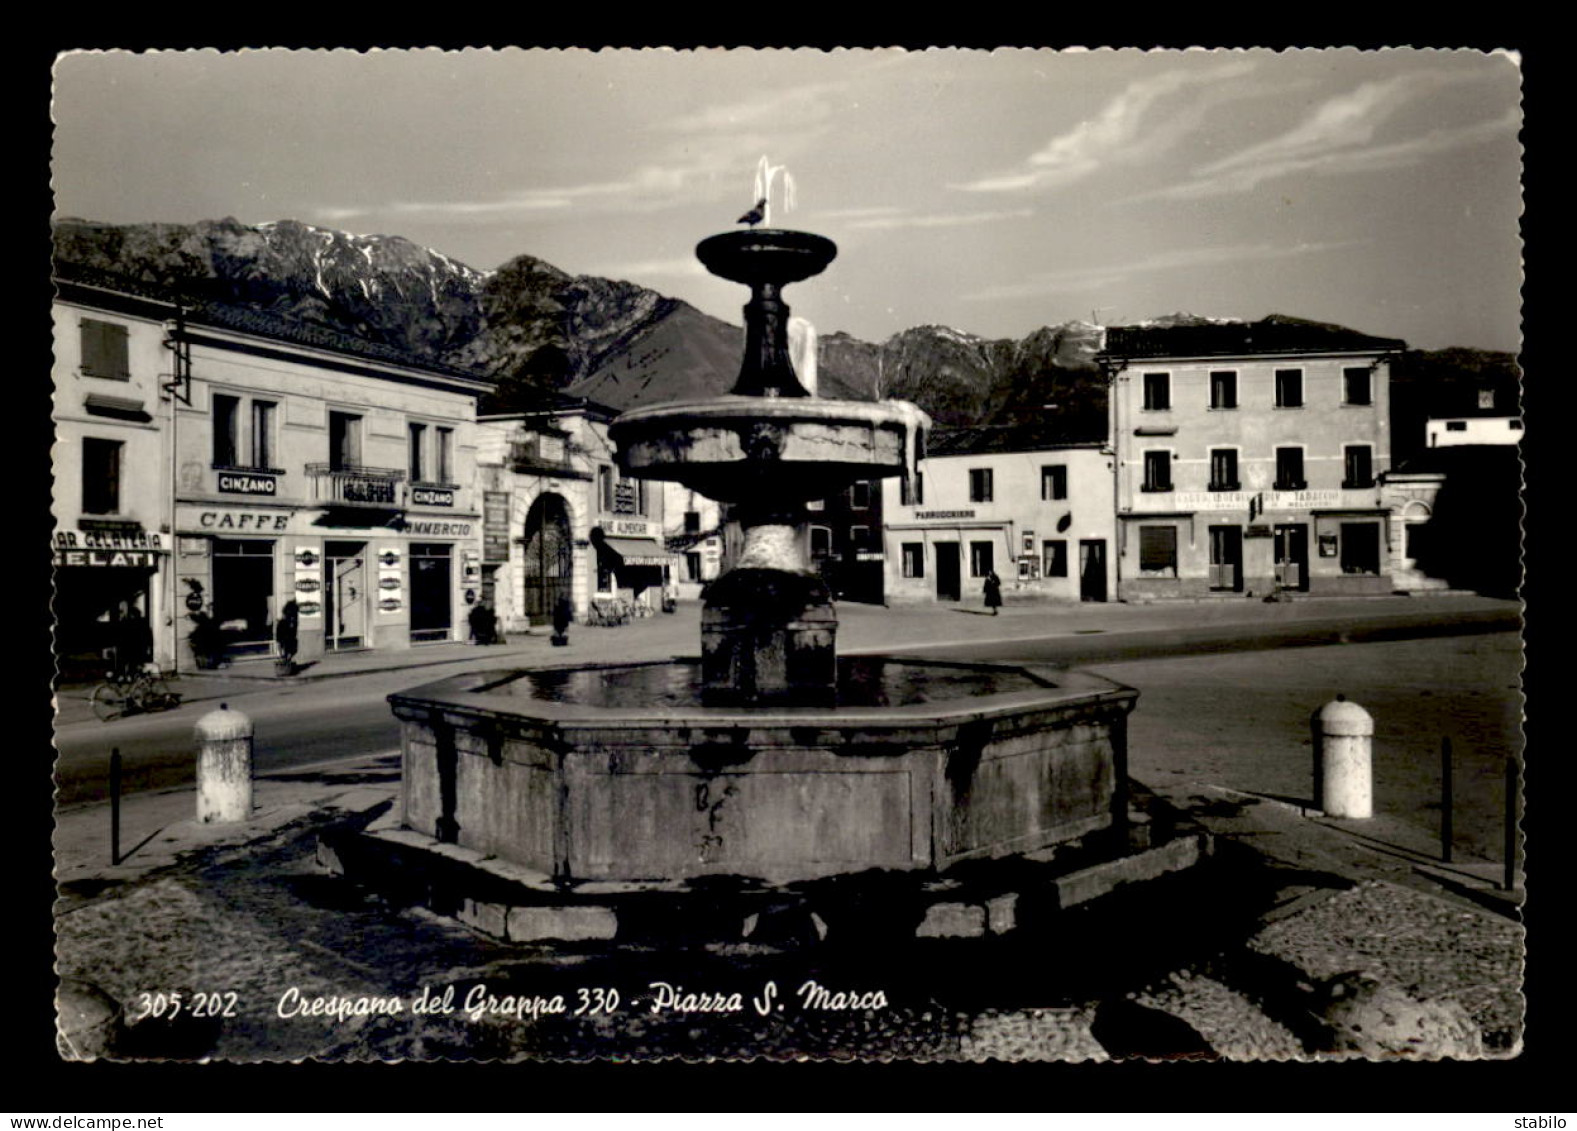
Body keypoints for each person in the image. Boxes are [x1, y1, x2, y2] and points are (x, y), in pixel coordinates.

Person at [115, 606, 153, 679]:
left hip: (132, 647)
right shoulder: (142, 622)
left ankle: (128, 675)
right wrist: (149, 646)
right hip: (137, 647)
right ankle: (133, 675)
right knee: (134, 662)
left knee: (130, 662)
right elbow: (148, 636)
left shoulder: (128, 622)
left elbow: (122, 636)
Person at [275, 600, 300, 673]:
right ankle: (285, 664)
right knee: (288, 651)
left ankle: (286, 663)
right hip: (286, 639)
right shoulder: (286, 622)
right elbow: (281, 633)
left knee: (290, 651)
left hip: (287, 638)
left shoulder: (291, 621)